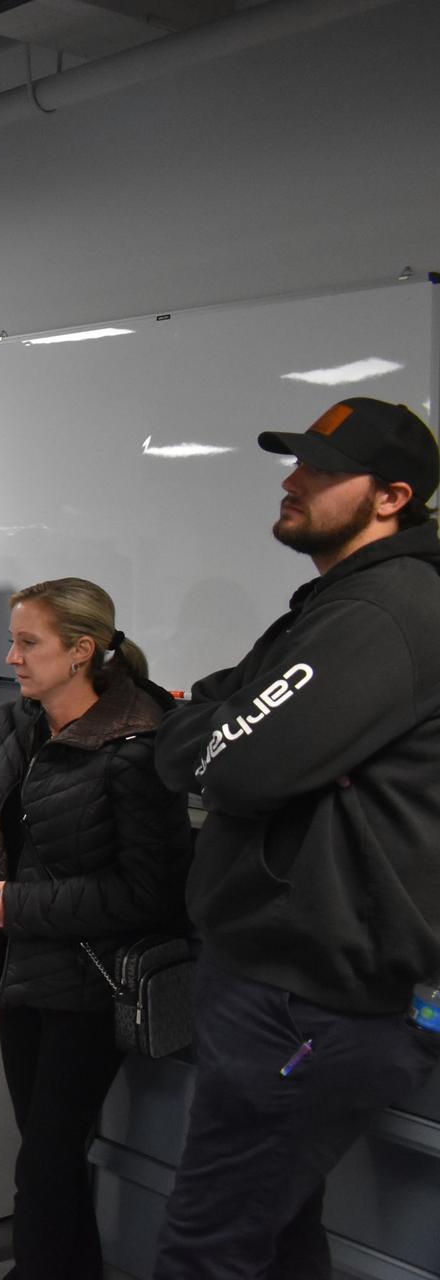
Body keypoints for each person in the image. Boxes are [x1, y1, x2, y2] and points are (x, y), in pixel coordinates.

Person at [151, 398, 440, 1280]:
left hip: (306, 998)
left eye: (320, 467)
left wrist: (211, 727)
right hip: (284, 983)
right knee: (274, 1239)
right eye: (296, 460)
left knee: (207, 1249)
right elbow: (218, 707)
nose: (292, 479)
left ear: (391, 496)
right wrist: (216, 721)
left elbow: (224, 764)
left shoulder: (383, 613)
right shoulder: (341, 603)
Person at [0, 578, 190, 1279]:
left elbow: (150, 892)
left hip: (91, 982)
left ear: (81, 652)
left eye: (29, 643)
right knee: (46, 1153)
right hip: (19, 970)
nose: (12, 657)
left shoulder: (137, 746)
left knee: (45, 1161)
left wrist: (17, 905)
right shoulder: (12, 723)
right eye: (13, 641)